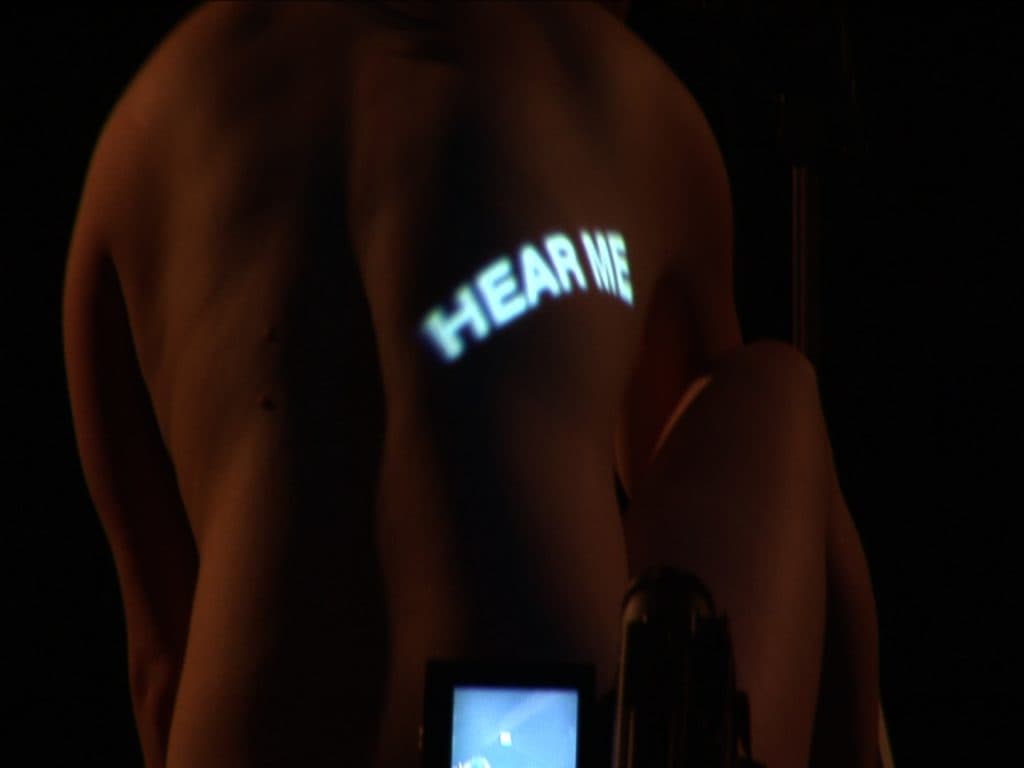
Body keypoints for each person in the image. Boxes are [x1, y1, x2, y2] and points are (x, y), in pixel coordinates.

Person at [63, 1, 878, 766]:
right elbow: (680, 561)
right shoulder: (620, 87)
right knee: (775, 393)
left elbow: (159, 670)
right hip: (520, 741)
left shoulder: (141, 134)